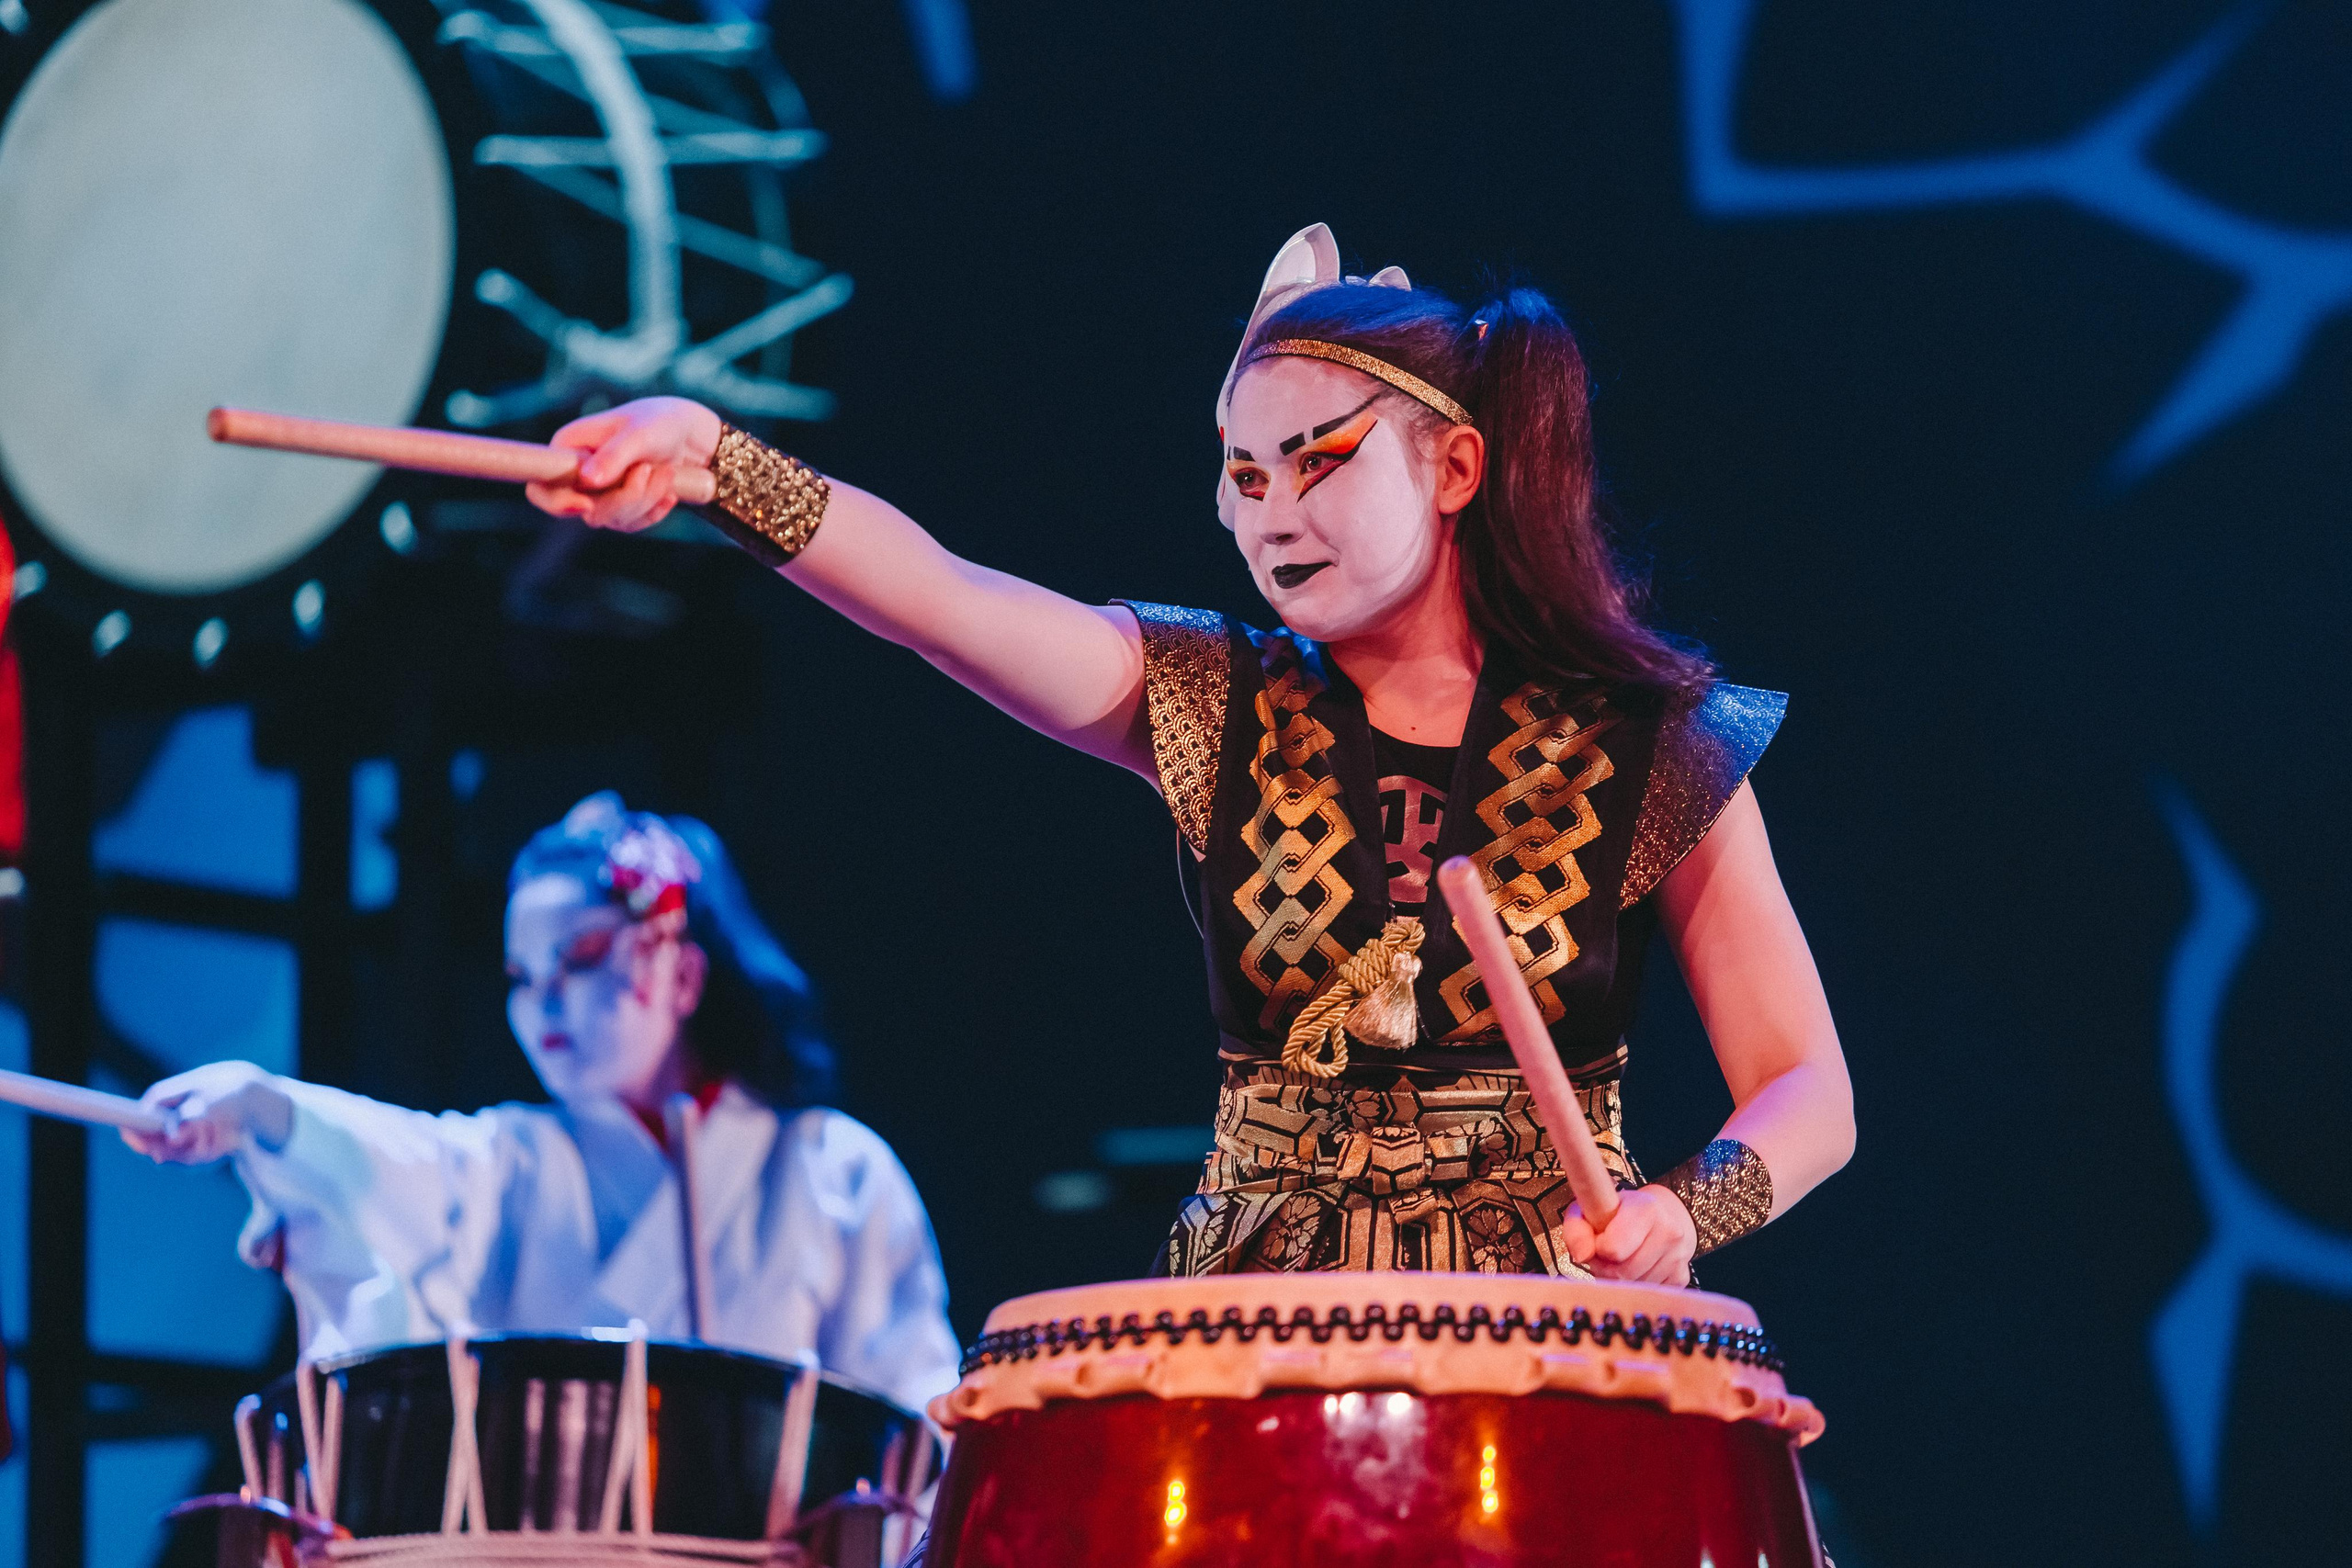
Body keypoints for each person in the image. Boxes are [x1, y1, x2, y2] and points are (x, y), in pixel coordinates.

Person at [524, 223, 1856, 1287]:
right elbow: (944, 599)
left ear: (1456, 467)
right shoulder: (1219, 700)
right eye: (1246, 475)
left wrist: (1683, 1210)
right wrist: (717, 466)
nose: (1269, 515)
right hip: (1257, 1318)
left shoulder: (1651, 741)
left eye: (1317, 463)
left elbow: (1809, 1088)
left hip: (1550, 1317)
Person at [126, 793, 961, 1414]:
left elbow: (914, 1422)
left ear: (682, 971)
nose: (544, 1004)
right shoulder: (512, 1162)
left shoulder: (833, 1171)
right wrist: (266, 1111)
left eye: (581, 958)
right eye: (522, 977)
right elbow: (397, 1166)